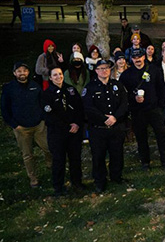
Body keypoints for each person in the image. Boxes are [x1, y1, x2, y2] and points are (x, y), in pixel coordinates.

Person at [119, 48, 165, 172]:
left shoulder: (154, 70)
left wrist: (160, 106)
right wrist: (133, 99)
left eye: (140, 57)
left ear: (144, 57)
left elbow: (161, 88)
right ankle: (145, 162)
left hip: (154, 109)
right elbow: (123, 94)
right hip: (138, 111)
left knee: (162, 136)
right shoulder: (126, 75)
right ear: (131, 59)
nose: (137, 60)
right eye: (135, 57)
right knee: (141, 137)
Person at [1, 62, 52, 187]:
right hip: (21, 128)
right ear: (14, 73)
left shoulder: (35, 85)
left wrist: (43, 119)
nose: (22, 73)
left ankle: (50, 165)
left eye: (24, 70)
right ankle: (33, 178)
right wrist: (14, 125)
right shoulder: (9, 88)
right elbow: (4, 108)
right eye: (19, 71)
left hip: (39, 126)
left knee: (48, 148)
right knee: (28, 155)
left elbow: (42, 102)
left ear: (28, 72)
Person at [82, 60, 128, 193]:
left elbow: (124, 103)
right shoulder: (90, 87)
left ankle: (116, 176)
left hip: (116, 127)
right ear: (96, 71)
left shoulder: (117, 85)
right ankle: (100, 181)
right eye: (101, 68)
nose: (104, 71)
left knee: (117, 154)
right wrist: (104, 119)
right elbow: (88, 108)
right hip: (98, 129)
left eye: (107, 68)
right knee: (98, 156)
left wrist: (115, 117)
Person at [41, 67, 84, 196]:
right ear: (50, 78)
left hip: (74, 132)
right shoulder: (46, 94)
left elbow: (79, 108)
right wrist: (66, 127)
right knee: (59, 160)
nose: (58, 77)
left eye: (60, 74)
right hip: (57, 133)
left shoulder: (70, 90)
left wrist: (77, 123)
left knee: (75, 158)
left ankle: (77, 182)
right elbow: (49, 115)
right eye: (55, 75)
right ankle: (58, 187)